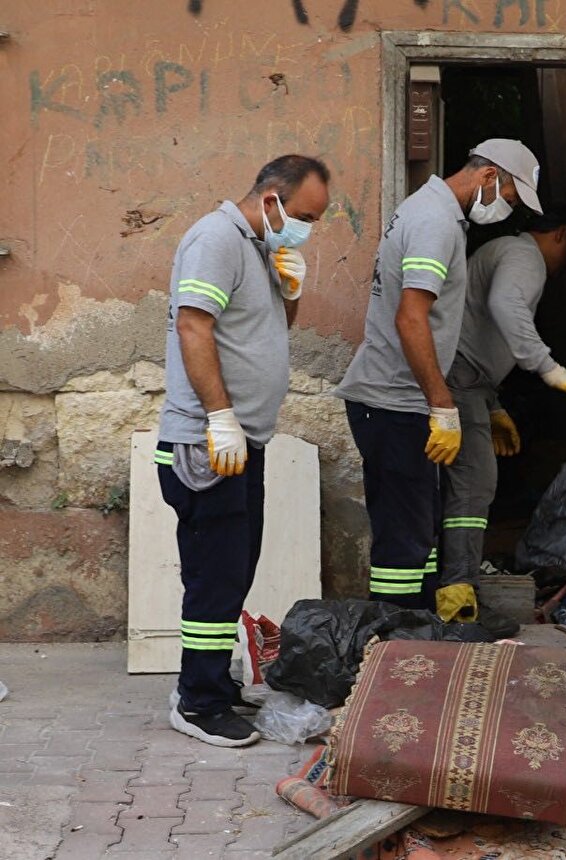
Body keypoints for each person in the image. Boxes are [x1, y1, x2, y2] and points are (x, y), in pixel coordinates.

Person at [157, 154, 330, 747]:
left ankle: (209, 683)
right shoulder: (215, 239)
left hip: (240, 441)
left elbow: (268, 330)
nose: (308, 229)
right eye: (306, 216)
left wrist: (292, 290)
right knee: (215, 573)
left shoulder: (258, 247)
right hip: (208, 442)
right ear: (272, 199)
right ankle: (198, 704)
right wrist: (219, 416)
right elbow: (193, 326)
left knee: (234, 569)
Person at [333, 140, 542, 619]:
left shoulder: (430, 211)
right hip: (392, 401)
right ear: (488, 176)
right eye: (511, 198)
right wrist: (442, 404)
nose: (508, 211)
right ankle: (396, 642)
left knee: (416, 534)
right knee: (403, 542)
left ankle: (417, 633)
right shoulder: (434, 222)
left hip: (397, 401)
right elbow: (412, 318)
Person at [439, 208, 566, 635]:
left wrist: (493, 404)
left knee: (466, 486)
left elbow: (479, 326)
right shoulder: (524, 255)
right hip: (460, 381)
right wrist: (551, 369)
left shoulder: (506, 251)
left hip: (470, 383)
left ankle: (454, 591)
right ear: (561, 233)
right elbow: (505, 305)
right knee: (474, 484)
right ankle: (457, 600)